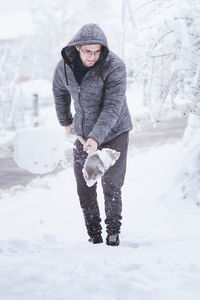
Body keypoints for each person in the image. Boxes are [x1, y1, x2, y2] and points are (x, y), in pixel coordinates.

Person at [52, 23, 133, 246]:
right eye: (88, 51)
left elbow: (112, 107)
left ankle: (113, 232)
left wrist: (96, 138)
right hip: (82, 134)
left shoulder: (115, 66)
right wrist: (66, 121)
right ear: (78, 48)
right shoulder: (65, 67)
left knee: (111, 184)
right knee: (84, 185)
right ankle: (94, 234)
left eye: (97, 51)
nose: (93, 56)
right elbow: (59, 91)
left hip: (115, 132)